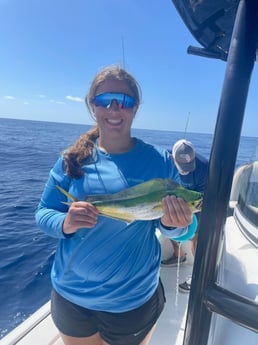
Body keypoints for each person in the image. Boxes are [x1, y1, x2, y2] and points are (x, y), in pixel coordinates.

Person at [35, 65, 197, 345]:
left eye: (123, 101)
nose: (113, 108)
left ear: (135, 108)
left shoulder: (160, 161)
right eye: (103, 100)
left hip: (132, 301)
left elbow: (183, 230)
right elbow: (43, 214)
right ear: (92, 106)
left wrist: (175, 223)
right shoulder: (72, 159)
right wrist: (65, 223)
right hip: (71, 298)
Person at [161, 139, 208, 293]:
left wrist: (191, 220)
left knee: (196, 237)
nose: (186, 170)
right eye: (183, 167)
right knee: (170, 226)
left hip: (194, 205)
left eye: (189, 166)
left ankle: (198, 277)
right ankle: (179, 255)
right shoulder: (163, 158)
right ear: (173, 158)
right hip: (171, 201)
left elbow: (202, 198)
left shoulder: (204, 168)